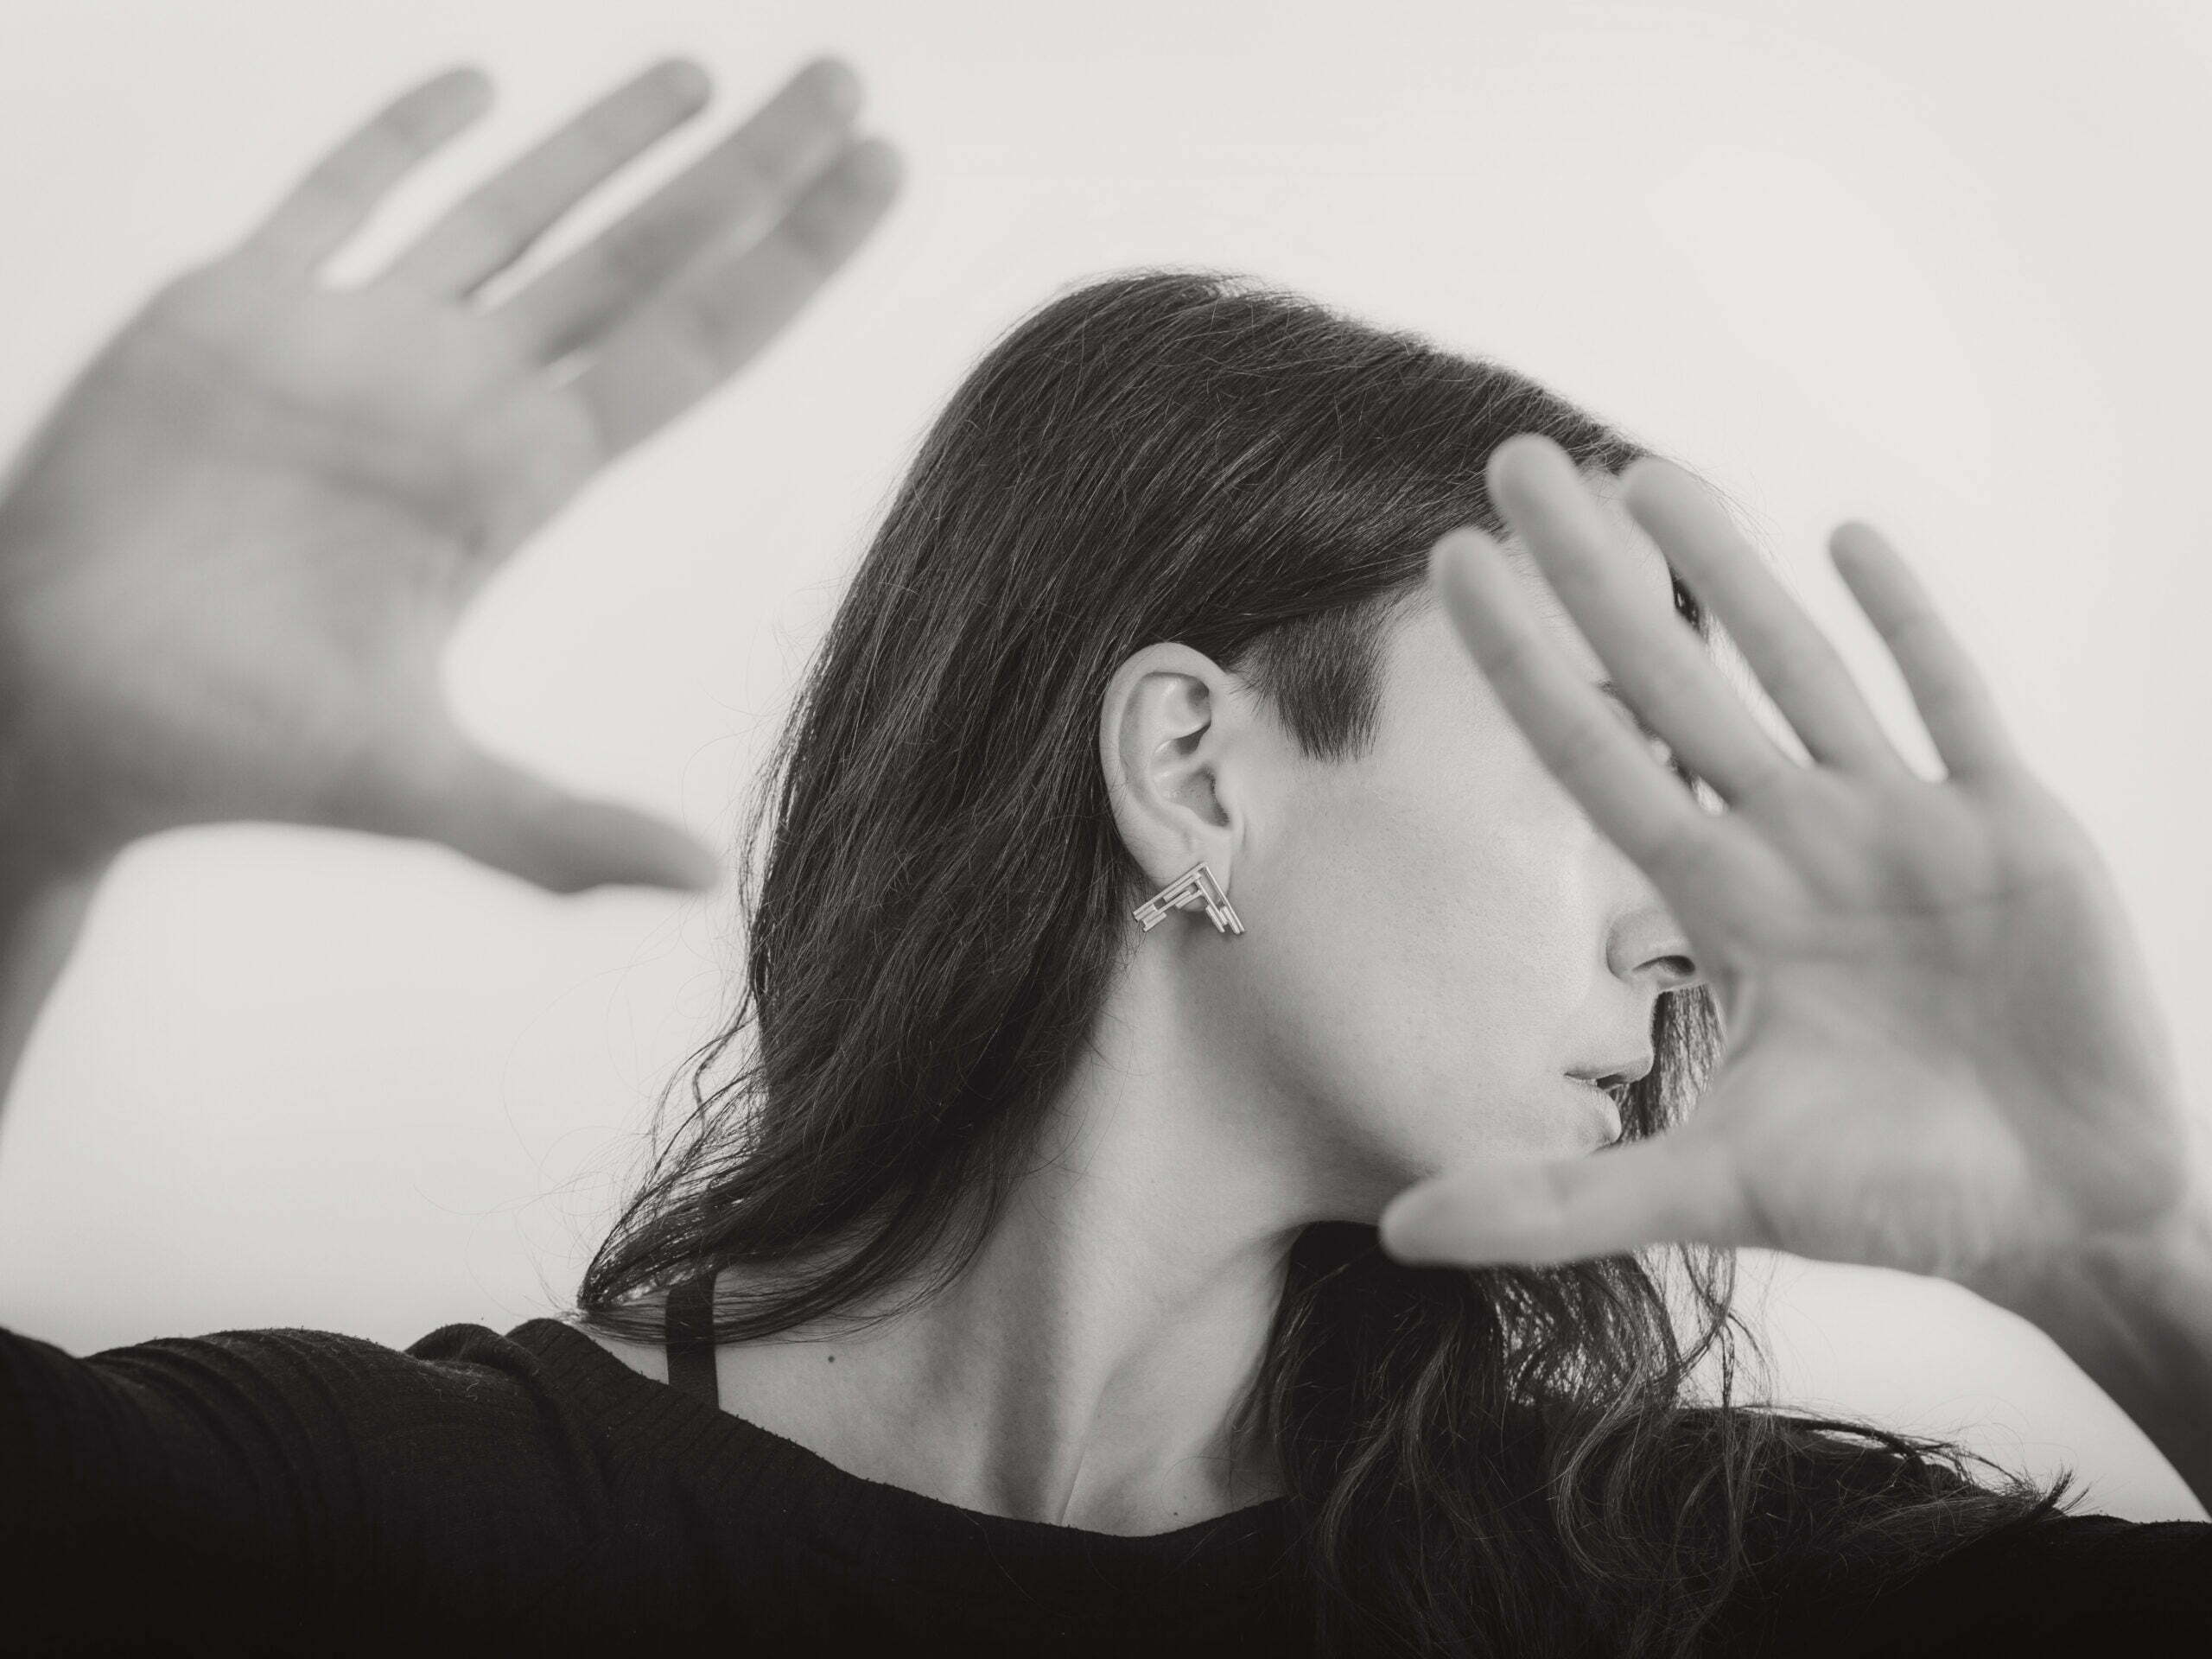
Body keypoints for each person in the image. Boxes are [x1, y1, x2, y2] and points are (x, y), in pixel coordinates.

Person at [2, 48, 2207, 1659]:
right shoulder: (386, 1544)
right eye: (1618, 761)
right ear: (1191, 763)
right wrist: (27, 790)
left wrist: (2114, 1263)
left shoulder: (1687, 1591)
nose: (1698, 933)